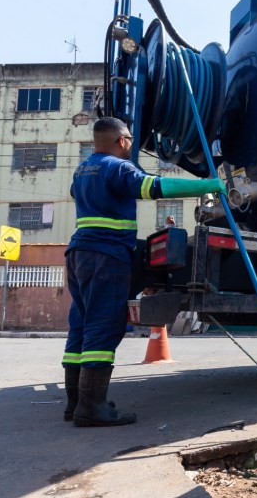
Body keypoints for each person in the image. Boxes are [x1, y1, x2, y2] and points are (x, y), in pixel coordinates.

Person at [63, 117, 224, 426]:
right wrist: (208, 185)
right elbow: (155, 187)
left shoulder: (83, 169)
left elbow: (75, 194)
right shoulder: (119, 167)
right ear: (122, 141)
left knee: (81, 323)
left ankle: (76, 402)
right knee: (104, 325)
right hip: (106, 254)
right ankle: (92, 407)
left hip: (79, 253)